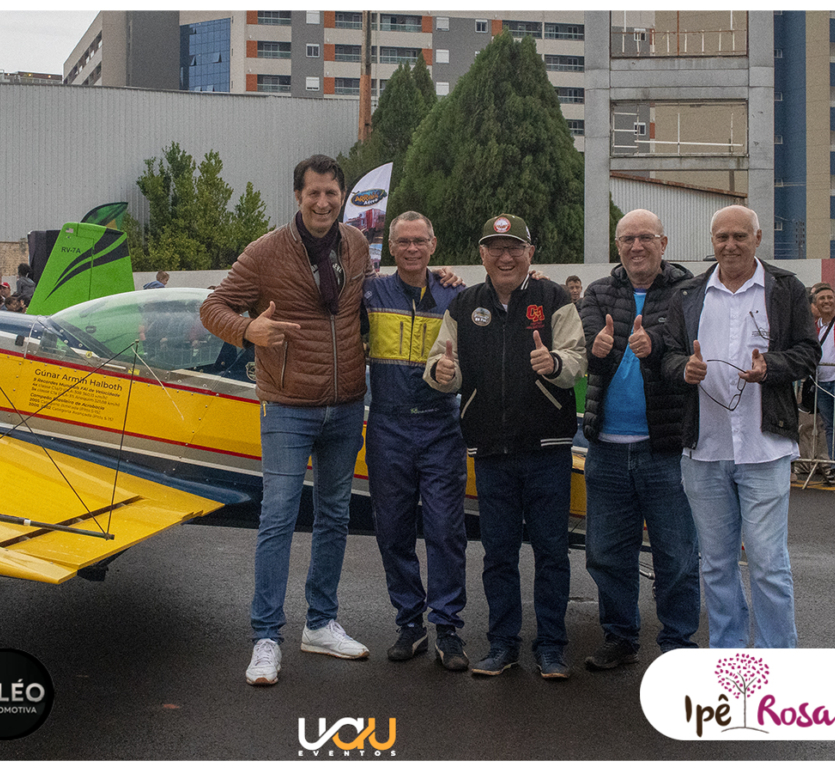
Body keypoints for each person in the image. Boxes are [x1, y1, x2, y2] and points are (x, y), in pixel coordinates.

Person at [200, 155, 373, 686]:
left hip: (347, 404)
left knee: (334, 516)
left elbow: (374, 299)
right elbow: (213, 306)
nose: (322, 202)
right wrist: (247, 330)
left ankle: (320, 624)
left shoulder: (356, 244)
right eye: (313, 193)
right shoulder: (265, 252)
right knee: (277, 517)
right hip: (287, 407)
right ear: (298, 196)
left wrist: (439, 279)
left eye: (331, 193)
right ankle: (266, 638)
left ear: (342, 196)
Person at [424, 213, 587, 680]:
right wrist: (442, 374)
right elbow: (441, 363)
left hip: (547, 449)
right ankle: (502, 644)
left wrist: (554, 363)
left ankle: (551, 646)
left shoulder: (553, 298)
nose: (506, 256)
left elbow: (577, 358)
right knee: (498, 555)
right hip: (491, 451)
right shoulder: (464, 304)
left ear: (529, 253)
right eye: (496, 248)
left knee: (551, 553)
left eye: (515, 247)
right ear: (482, 255)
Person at [662, 205, 820, 649]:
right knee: (715, 563)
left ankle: (776, 658)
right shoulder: (688, 293)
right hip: (704, 449)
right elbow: (668, 356)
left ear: (758, 238)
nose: (730, 245)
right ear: (712, 241)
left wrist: (771, 366)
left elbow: (808, 352)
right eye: (722, 237)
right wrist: (684, 369)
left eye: (739, 236)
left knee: (768, 563)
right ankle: (728, 654)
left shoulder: (786, 288)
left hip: (764, 447)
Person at [579, 209, 700, 670]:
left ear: (663, 243)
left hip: (666, 448)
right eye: (627, 239)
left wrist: (657, 347)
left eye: (645, 237)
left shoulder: (688, 292)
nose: (636, 246)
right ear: (617, 246)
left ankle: (678, 643)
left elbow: (689, 353)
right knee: (607, 554)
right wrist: (597, 351)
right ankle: (620, 637)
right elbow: (587, 349)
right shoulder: (598, 293)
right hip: (607, 448)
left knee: (677, 555)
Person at [363, 211, 469, 671]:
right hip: (387, 426)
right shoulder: (371, 293)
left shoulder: (455, 294)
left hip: (440, 425)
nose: (411, 249)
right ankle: (410, 623)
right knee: (393, 531)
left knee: (446, 530)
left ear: (433, 244)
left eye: (419, 241)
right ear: (390, 247)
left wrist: (538, 278)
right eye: (403, 242)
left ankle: (447, 627)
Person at [810, 283, 835, 485]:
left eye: (829, 297)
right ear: (815, 303)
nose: (826, 301)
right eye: (822, 298)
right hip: (821, 383)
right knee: (830, 426)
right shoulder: (814, 327)